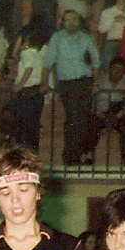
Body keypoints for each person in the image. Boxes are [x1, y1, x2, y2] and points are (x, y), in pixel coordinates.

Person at [41, 10, 98, 165]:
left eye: (74, 19)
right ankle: (70, 157)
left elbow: (96, 61)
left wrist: (95, 83)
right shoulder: (57, 38)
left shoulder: (86, 38)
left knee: (83, 120)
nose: (71, 22)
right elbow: (48, 62)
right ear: (63, 22)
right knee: (73, 118)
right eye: (68, 19)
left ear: (79, 21)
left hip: (84, 81)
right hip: (67, 83)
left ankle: (75, 155)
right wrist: (44, 82)